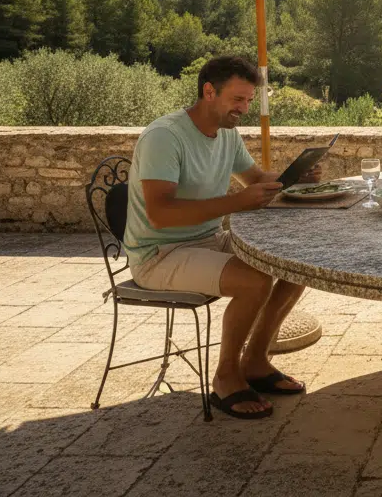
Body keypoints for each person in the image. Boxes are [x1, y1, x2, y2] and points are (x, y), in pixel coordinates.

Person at [124, 56, 320, 420]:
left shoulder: (227, 135)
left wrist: (295, 176)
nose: (244, 109)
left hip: (208, 239)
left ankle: (256, 362)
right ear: (209, 92)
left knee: (297, 264)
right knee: (255, 280)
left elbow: (254, 180)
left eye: (248, 100)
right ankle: (226, 376)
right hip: (159, 253)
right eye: (238, 100)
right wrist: (233, 203)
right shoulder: (164, 137)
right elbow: (160, 213)